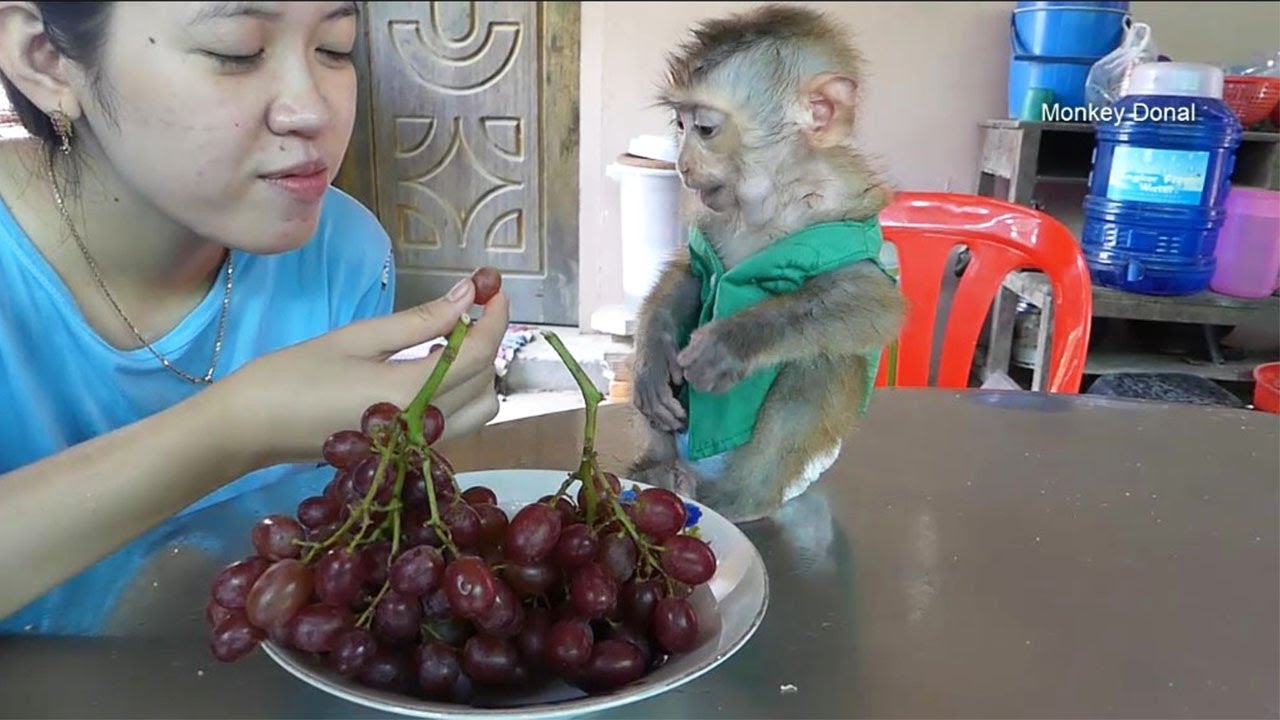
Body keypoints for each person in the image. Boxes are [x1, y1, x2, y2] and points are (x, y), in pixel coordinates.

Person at [0, 1, 509, 633]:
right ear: (44, 59)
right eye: (236, 51)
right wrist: (236, 428)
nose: (314, 110)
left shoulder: (343, 255)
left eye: (335, 47)